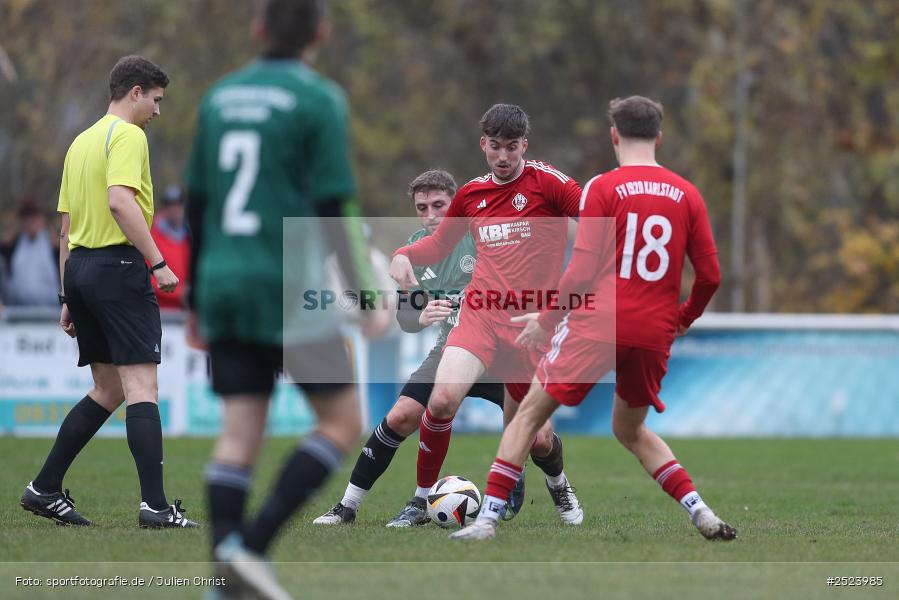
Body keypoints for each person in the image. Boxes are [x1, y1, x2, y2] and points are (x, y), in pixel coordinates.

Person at [451, 96, 737, 541]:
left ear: (614, 136)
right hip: (655, 328)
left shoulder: (604, 188)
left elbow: (581, 273)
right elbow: (711, 276)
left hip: (601, 322)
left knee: (526, 416)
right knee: (631, 429)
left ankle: (486, 521)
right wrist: (683, 319)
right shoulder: (687, 194)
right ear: (659, 138)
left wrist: (545, 322)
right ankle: (700, 511)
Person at [184, 0, 387, 597]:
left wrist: (198, 298)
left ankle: (224, 580)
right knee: (343, 421)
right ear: (320, 34)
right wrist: (364, 294)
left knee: (239, 430)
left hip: (224, 282)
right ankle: (251, 546)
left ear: (257, 29)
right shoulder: (319, 100)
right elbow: (334, 207)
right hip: (289, 288)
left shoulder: (218, 97)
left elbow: (196, 207)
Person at [314, 169, 552, 527]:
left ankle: (559, 485)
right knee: (401, 416)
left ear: (455, 205)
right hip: (450, 350)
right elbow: (406, 319)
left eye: (439, 205)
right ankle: (352, 506)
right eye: (422, 207)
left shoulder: (482, 234)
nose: (430, 215)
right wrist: (421, 315)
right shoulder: (414, 250)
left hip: (503, 352)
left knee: (540, 439)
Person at [19, 55, 196, 529]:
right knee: (142, 388)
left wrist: (65, 296)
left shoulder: (80, 142)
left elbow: (65, 228)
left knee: (108, 387)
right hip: (118, 267)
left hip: (79, 267)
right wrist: (157, 262)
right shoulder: (128, 136)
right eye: (156, 100)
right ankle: (156, 508)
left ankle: (44, 487)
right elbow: (120, 201)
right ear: (135, 91)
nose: (158, 111)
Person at [389, 104, 584, 527]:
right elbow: (438, 246)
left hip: (530, 326)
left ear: (523, 146)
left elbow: (595, 217)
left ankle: (558, 484)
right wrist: (403, 253)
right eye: (495, 147)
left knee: (537, 438)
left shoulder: (547, 183)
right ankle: (422, 501)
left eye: (511, 148)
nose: (502, 157)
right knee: (440, 402)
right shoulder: (472, 195)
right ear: (483, 144)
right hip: (480, 314)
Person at [1, 198, 59, 306]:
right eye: (27, 219)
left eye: (34, 218)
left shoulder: (54, 246)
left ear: (42, 218)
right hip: (17, 311)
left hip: (51, 311)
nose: (31, 222)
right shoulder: (12, 245)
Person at [150, 185, 190, 310]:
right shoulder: (151, 234)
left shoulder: (191, 234)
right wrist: (179, 293)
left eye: (178, 205)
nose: (174, 210)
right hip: (160, 310)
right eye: (170, 206)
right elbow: (145, 276)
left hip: (187, 311)